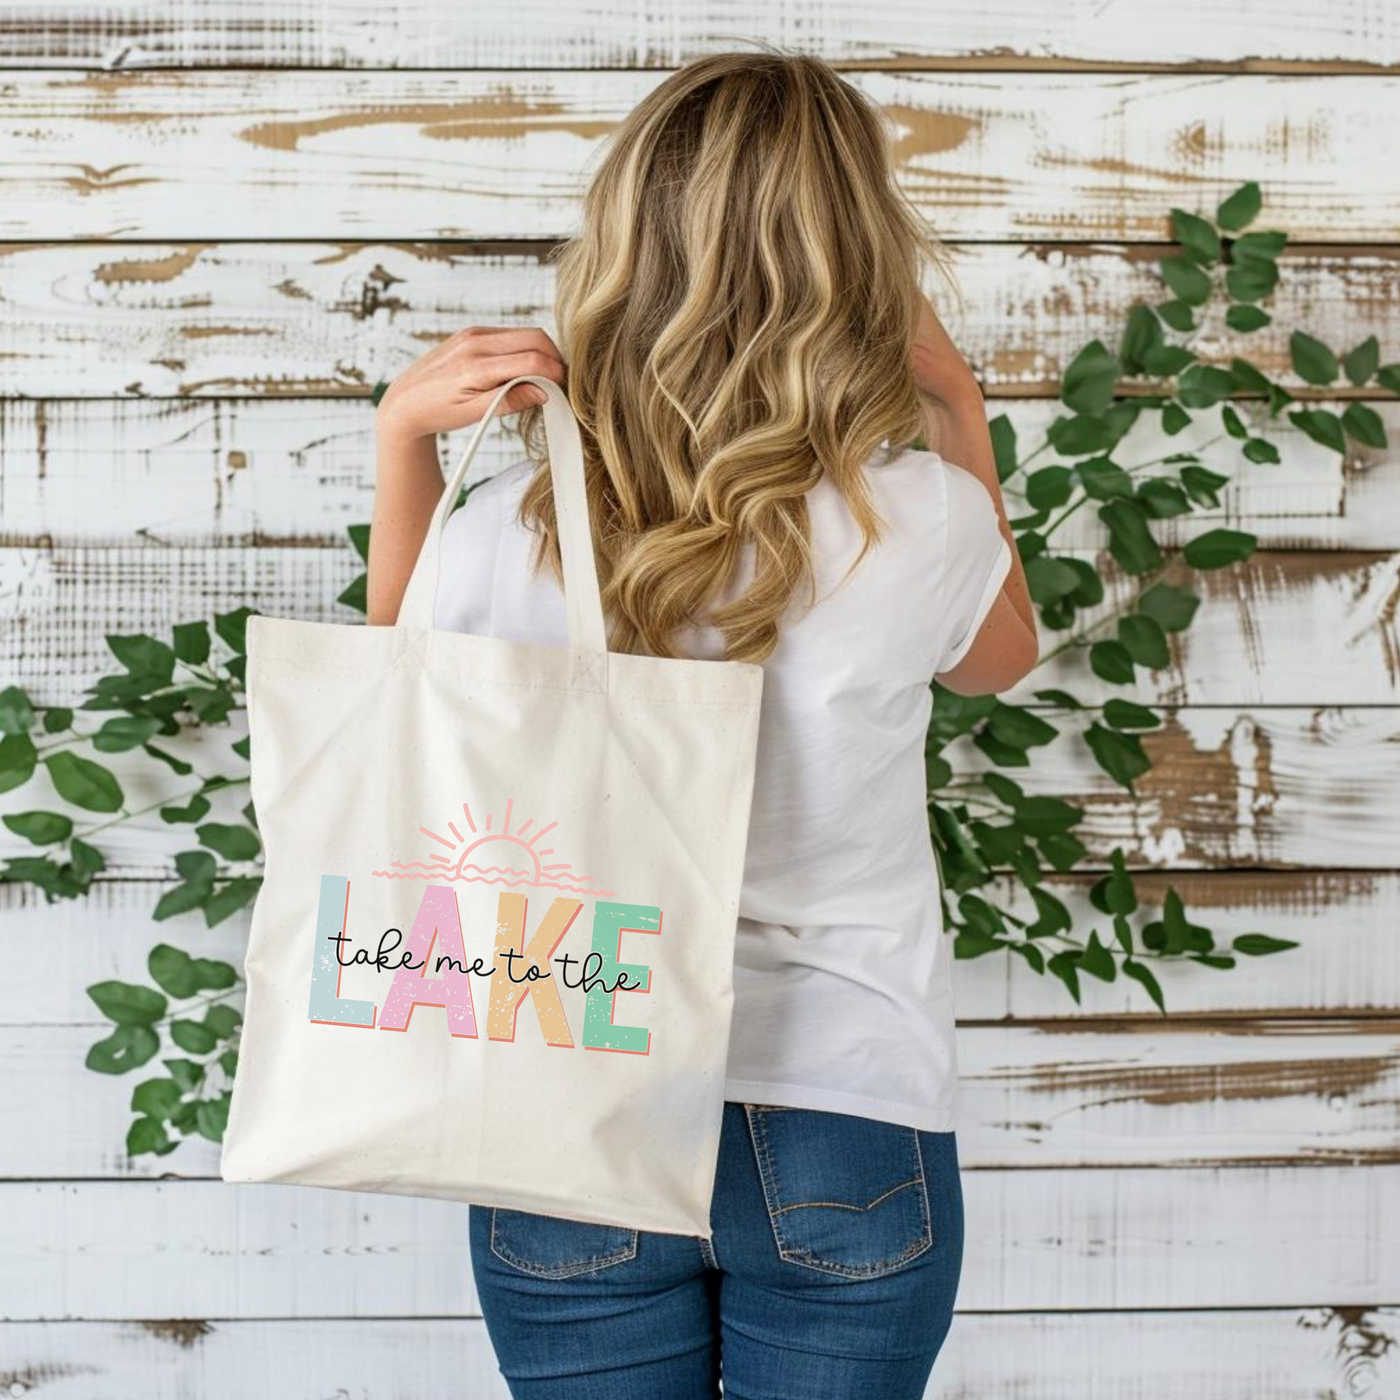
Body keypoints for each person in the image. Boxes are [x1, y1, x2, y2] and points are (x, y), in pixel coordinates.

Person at [367, 48, 1037, 1400]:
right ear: (864, 258)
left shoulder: (515, 521)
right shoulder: (924, 521)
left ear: (623, 247)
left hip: (573, 1092)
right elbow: (1000, 665)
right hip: (849, 1110)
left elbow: (399, 701)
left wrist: (405, 446)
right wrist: (958, 406)